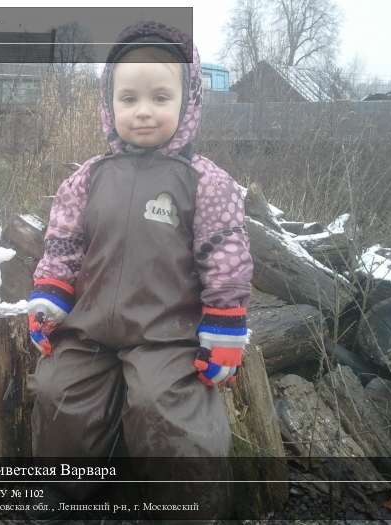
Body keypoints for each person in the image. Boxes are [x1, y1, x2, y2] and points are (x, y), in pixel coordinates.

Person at [27, 20, 253, 524]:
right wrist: (49, 298)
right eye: (129, 99)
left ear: (188, 100)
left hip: (166, 334)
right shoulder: (88, 176)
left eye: (159, 97)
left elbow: (226, 256)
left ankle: (185, 510)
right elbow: (63, 243)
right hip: (89, 329)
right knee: (58, 392)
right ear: (109, 105)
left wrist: (225, 326)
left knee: (164, 409)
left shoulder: (204, 181)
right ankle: (68, 500)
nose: (144, 111)